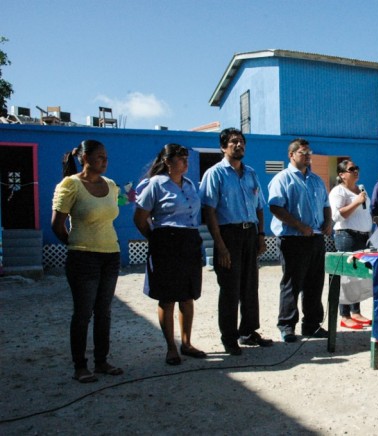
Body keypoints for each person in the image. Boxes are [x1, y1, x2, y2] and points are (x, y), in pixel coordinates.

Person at [51, 139, 123, 383]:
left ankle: (101, 361)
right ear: (84, 158)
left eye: (106, 157)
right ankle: (80, 365)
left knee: (104, 312)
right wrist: (76, 245)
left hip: (110, 255)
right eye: (100, 156)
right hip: (83, 257)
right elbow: (57, 225)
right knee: (83, 313)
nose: (105, 161)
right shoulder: (70, 185)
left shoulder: (111, 186)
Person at [199, 128, 272, 356]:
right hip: (228, 235)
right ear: (223, 147)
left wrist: (261, 235)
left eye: (241, 141)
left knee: (250, 286)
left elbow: (260, 207)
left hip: (250, 233)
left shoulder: (250, 173)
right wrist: (220, 246)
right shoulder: (215, 174)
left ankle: (248, 331)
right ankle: (229, 338)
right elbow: (209, 211)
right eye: (233, 142)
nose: (239, 145)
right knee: (230, 288)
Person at [134, 143, 206, 365]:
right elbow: (139, 218)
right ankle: (171, 347)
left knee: (187, 296)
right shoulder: (155, 185)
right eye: (180, 158)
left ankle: (187, 343)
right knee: (167, 298)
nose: (186, 162)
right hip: (167, 243)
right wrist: (158, 239)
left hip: (190, 242)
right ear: (167, 161)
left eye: (187, 157)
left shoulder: (190, 185)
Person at [268, 138, 333, 343]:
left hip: (315, 238)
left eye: (309, 153)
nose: (307, 156)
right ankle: (287, 326)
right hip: (293, 239)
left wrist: (329, 222)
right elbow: (275, 207)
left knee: (315, 284)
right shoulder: (282, 179)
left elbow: (325, 204)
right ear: (291, 155)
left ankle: (312, 325)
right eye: (303, 153)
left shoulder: (316, 180)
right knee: (292, 284)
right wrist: (299, 226)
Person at [329, 160, 373, 330]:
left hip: (362, 237)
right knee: (346, 278)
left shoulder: (360, 189)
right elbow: (337, 216)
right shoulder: (338, 192)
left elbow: (364, 211)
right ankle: (344, 315)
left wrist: (373, 219)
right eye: (351, 169)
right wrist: (356, 201)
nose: (355, 171)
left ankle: (356, 311)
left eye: (357, 168)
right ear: (341, 174)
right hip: (347, 236)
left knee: (359, 277)